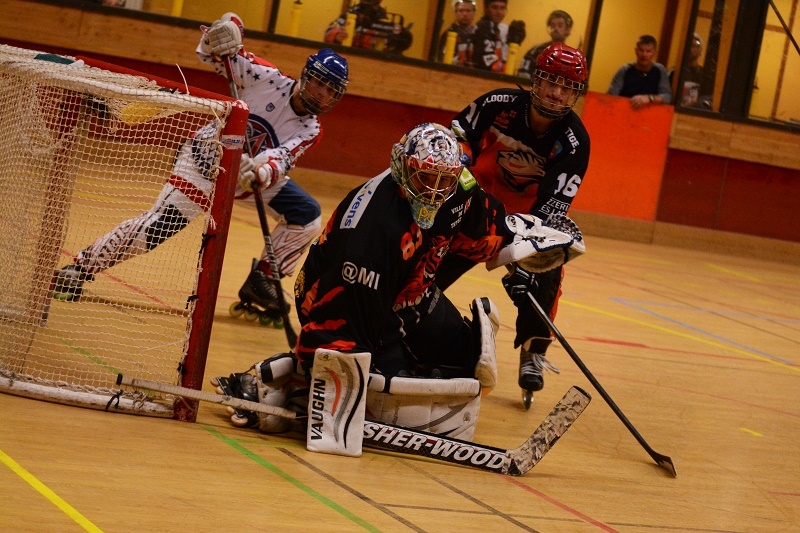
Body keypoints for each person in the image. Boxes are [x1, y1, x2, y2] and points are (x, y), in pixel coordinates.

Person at [211, 123, 585, 456]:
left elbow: (492, 229)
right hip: (344, 301)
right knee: (389, 391)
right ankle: (284, 383)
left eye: (445, 181)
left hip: (411, 294)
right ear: (402, 168)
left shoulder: (459, 187)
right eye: (425, 179)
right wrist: (334, 395)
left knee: (467, 359)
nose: (435, 192)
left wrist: (526, 260)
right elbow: (337, 321)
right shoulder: (372, 234)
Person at [52, 13, 350, 324]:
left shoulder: (312, 129)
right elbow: (214, 53)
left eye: (331, 91)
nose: (322, 94)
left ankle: (261, 281)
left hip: (248, 176)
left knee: (307, 217)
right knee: (157, 228)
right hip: (204, 163)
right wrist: (227, 27)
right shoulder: (265, 77)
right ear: (306, 75)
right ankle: (81, 267)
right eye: (319, 83)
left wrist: (260, 172)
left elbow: (283, 158)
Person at [439, 43, 591, 408]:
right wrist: (460, 166)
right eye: (551, 82)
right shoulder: (498, 104)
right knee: (429, 270)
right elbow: (455, 138)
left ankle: (534, 348)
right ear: (535, 80)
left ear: (575, 93)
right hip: (474, 208)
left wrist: (523, 256)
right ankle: (406, 315)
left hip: (527, 221)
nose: (556, 93)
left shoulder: (574, 142)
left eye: (567, 86)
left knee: (549, 271)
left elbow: (551, 211)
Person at [324, 0, 413, 55]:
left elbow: (391, 47)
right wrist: (337, 36)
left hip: (377, 61)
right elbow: (329, 32)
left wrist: (399, 41)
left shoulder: (385, 17)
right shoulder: (352, 13)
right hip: (353, 56)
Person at [607, 34, 672, 109]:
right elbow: (611, 96)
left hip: (650, 115)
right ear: (636, 51)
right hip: (623, 111)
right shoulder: (624, 70)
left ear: (654, 53)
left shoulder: (660, 70)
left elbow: (667, 97)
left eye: (648, 51)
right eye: (641, 50)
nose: (644, 55)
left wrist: (648, 98)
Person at [470, 0, 526, 72]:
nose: (499, 12)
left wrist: (509, 44)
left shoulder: (494, 28)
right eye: (494, 7)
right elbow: (491, 65)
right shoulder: (484, 28)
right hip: (479, 78)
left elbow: (500, 59)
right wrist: (510, 71)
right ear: (485, 8)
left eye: (502, 8)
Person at [516, 10, 573, 78]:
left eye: (560, 26)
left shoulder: (572, 58)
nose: (556, 28)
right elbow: (522, 76)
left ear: (568, 30)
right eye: (553, 25)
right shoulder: (536, 51)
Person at [670, 33, 708, 108]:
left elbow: (708, 97)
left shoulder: (705, 75)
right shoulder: (674, 72)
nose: (691, 49)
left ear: (700, 51)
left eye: (695, 46)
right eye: (689, 46)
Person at [437, 0, 477, 66]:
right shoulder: (448, 34)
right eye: (461, 11)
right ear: (455, 13)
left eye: (468, 11)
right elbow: (442, 59)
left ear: (474, 13)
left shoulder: (478, 34)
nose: (465, 14)